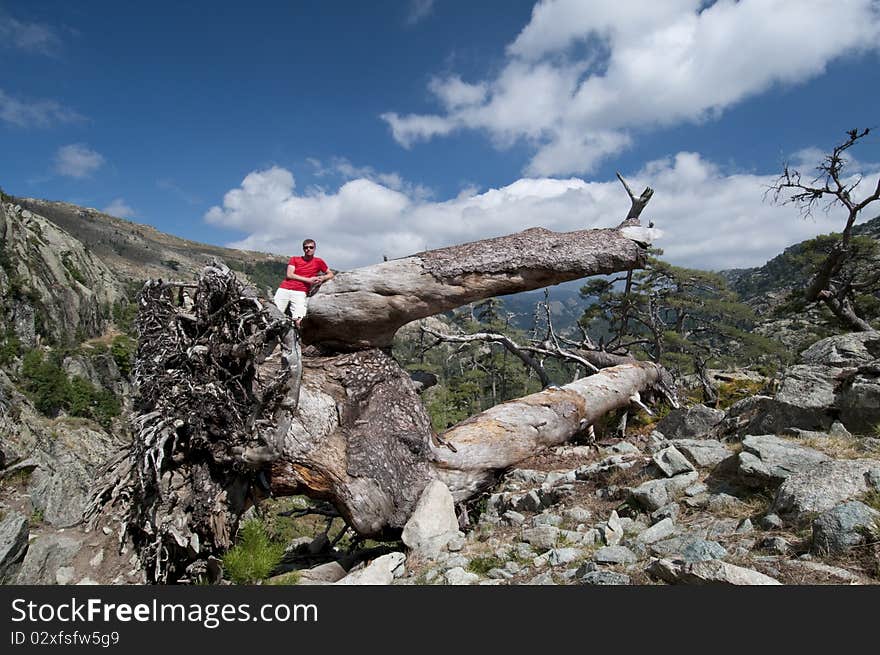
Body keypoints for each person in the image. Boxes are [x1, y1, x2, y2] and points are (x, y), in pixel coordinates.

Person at [273, 239, 334, 327]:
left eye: (311, 247)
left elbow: (330, 274)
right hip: (284, 289)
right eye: (306, 247)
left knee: (299, 319)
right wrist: (308, 280)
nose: (308, 249)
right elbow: (289, 274)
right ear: (303, 249)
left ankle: (298, 339)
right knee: (274, 315)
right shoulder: (294, 259)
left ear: (314, 248)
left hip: (300, 292)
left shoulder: (319, 261)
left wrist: (323, 277)